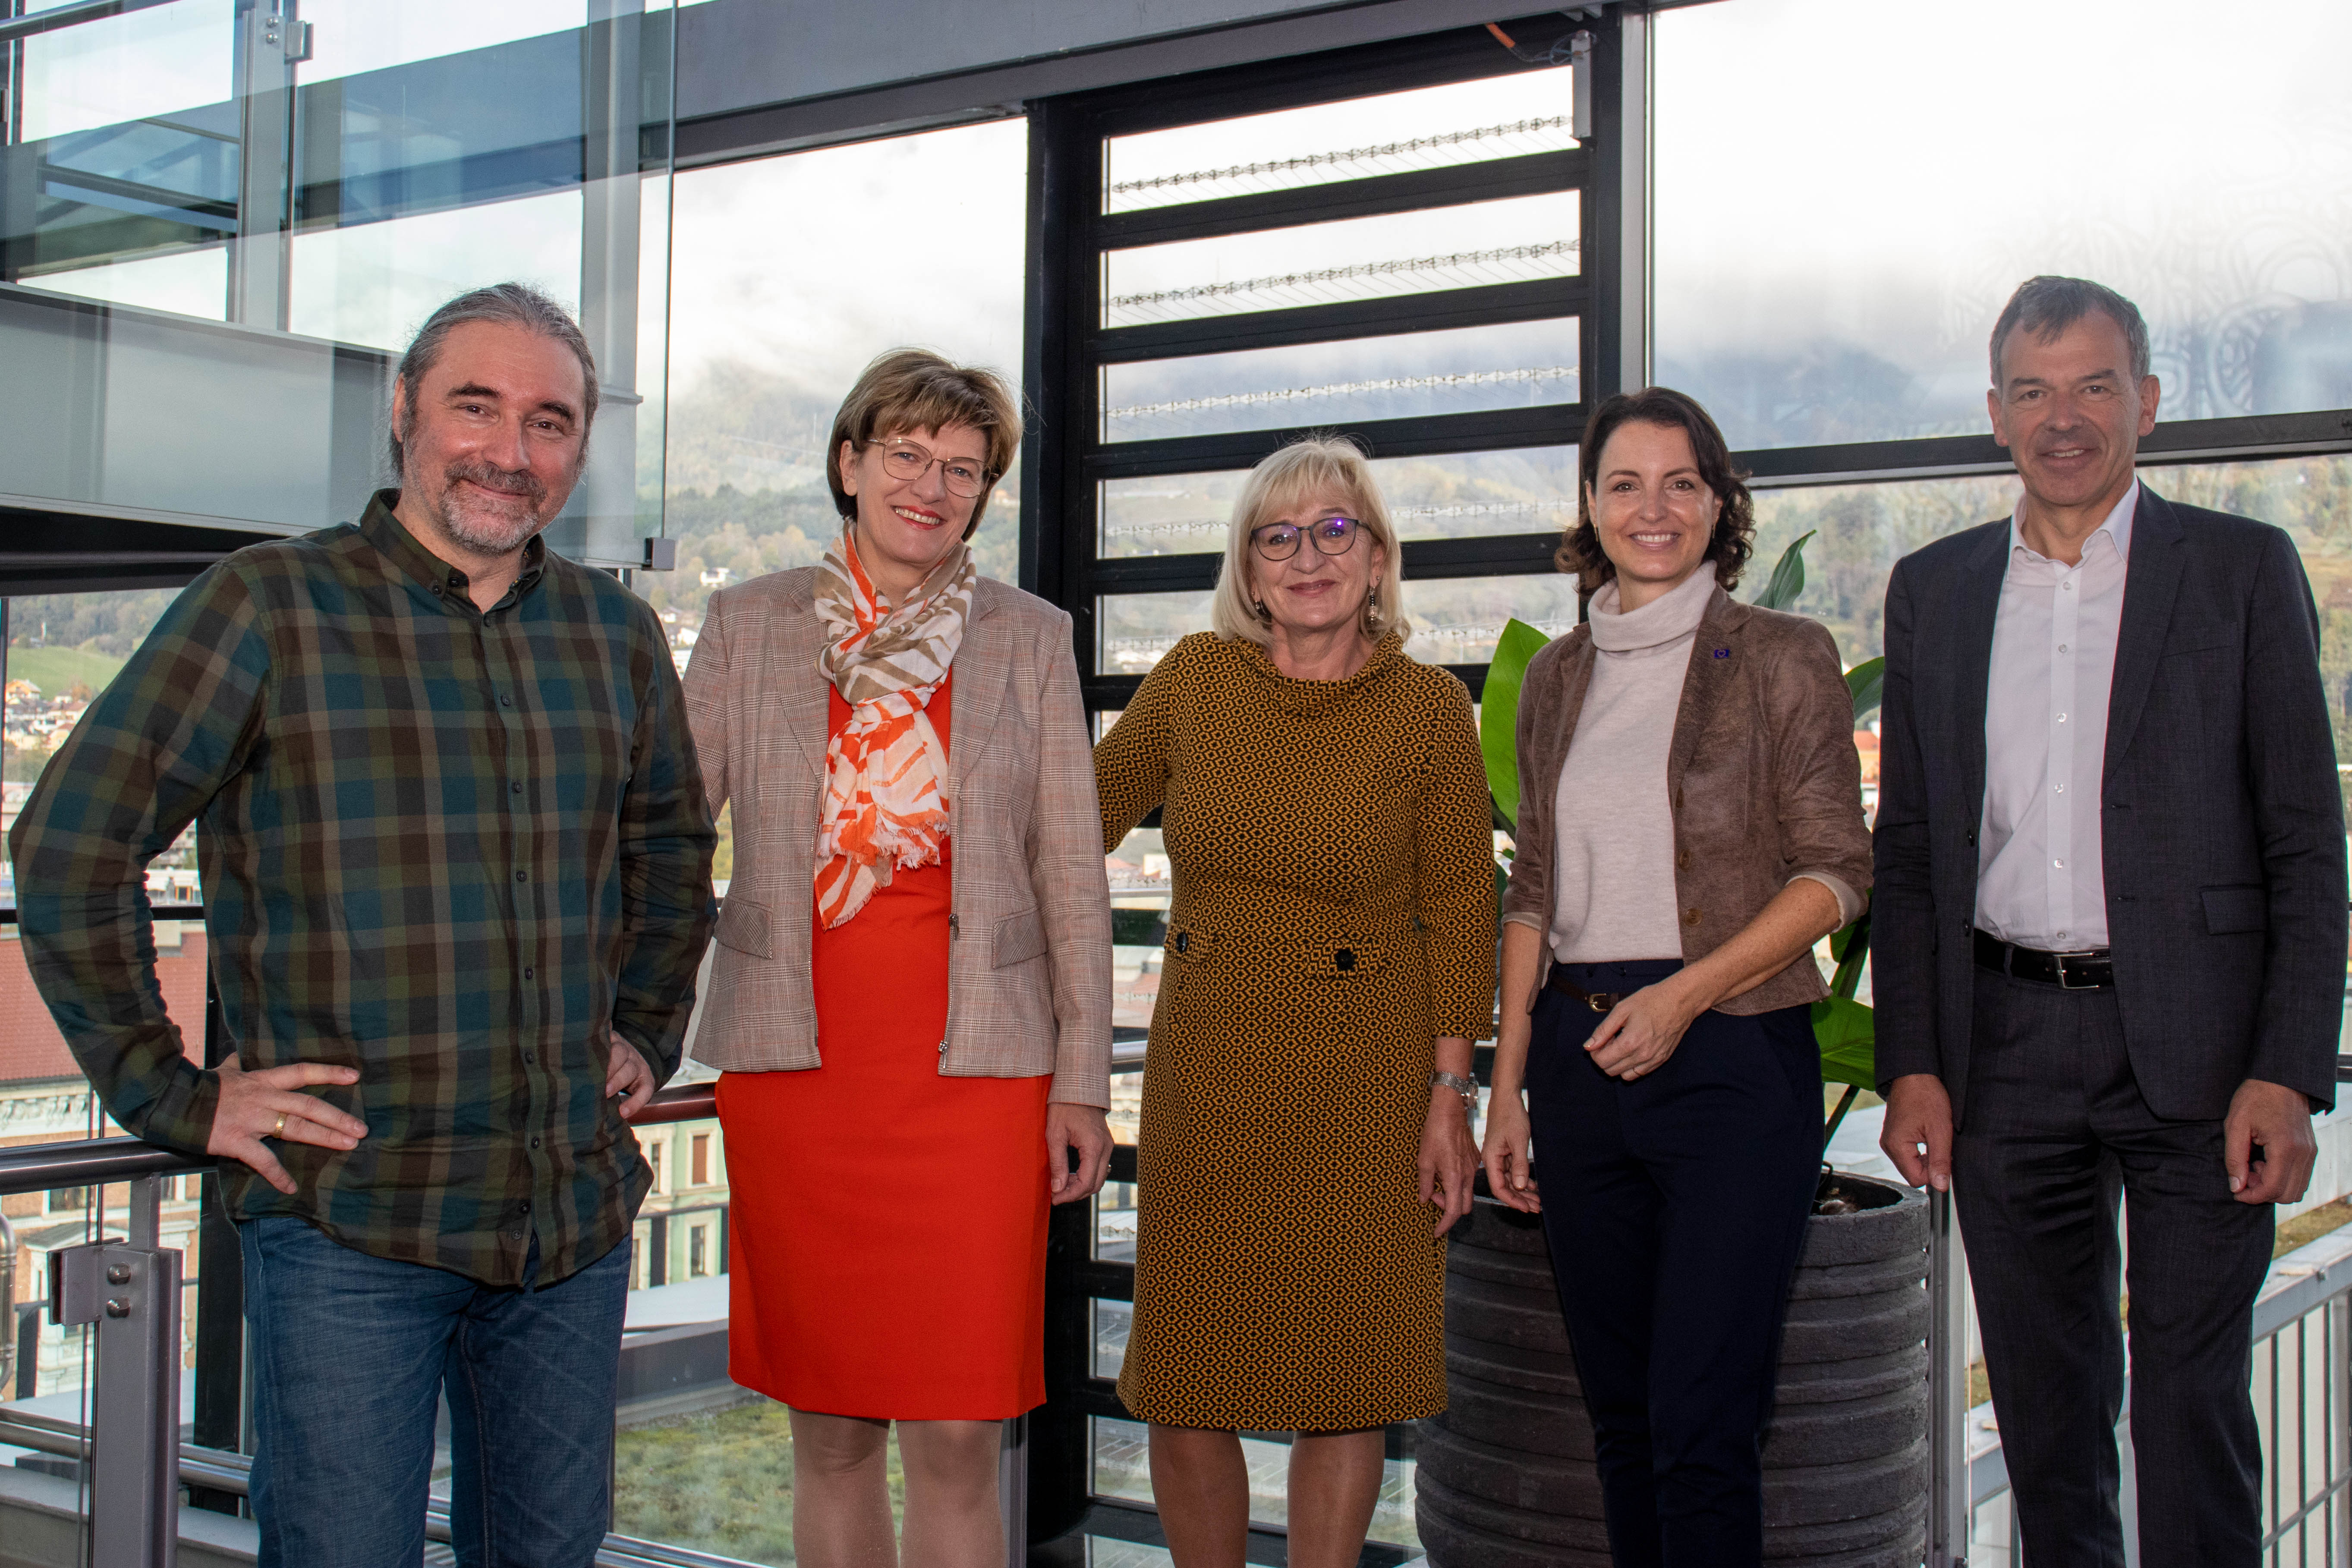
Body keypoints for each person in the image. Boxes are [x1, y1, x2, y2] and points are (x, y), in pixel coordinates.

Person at [8, 283, 716, 1567]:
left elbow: (673, 849)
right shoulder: (270, 605)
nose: (511, 449)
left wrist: (647, 1027)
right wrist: (171, 1095)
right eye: (476, 406)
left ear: (579, 449)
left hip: (565, 1223)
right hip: (351, 1220)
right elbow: (68, 841)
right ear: (404, 415)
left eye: (549, 421)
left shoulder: (614, 636)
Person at [1873, 275, 2345, 1566]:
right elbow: (1908, 850)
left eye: (2092, 385)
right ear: (1993, 412)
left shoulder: (2242, 570)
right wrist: (1911, 1061)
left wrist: (2288, 1070)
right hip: (2004, 1048)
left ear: (2145, 399)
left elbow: (2307, 840)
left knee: (2189, 1407)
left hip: (2203, 1053)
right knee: (2044, 1411)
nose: (2062, 417)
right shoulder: (1935, 589)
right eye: (2032, 390)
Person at [681, 348, 1112, 1568]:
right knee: (826, 1429)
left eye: (962, 470)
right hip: (796, 1070)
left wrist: (1079, 1079)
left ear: (984, 495)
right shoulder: (749, 623)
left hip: (977, 1078)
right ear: (849, 462)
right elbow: (658, 845)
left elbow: (1071, 876)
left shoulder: (1028, 637)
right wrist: (624, 1020)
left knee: (961, 1429)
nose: (931, 486)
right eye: (908, 455)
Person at [1480, 387, 1871, 1568]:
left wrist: (1686, 992)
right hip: (1578, 1060)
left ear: (1718, 502)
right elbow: (1534, 888)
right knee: (1621, 1416)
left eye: (1679, 483)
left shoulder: (1782, 657)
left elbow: (1834, 873)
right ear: (1589, 506)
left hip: (1731, 1052)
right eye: (1623, 484)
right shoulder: (1555, 675)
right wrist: (1505, 1089)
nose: (1651, 509)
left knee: (1704, 1422)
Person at [1093, 436, 1496, 1568]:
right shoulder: (1190, 679)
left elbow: (1463, 909)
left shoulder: (1426, 709)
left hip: (1364, 1087)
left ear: (1376, 560)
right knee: (1184, 1378)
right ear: (1247, 567)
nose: (1305, 555)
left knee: (1344, 1381)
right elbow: (1074, 821)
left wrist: (1447, 1095)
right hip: (1208, 1081)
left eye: (1333, 530)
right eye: (1278, 534)